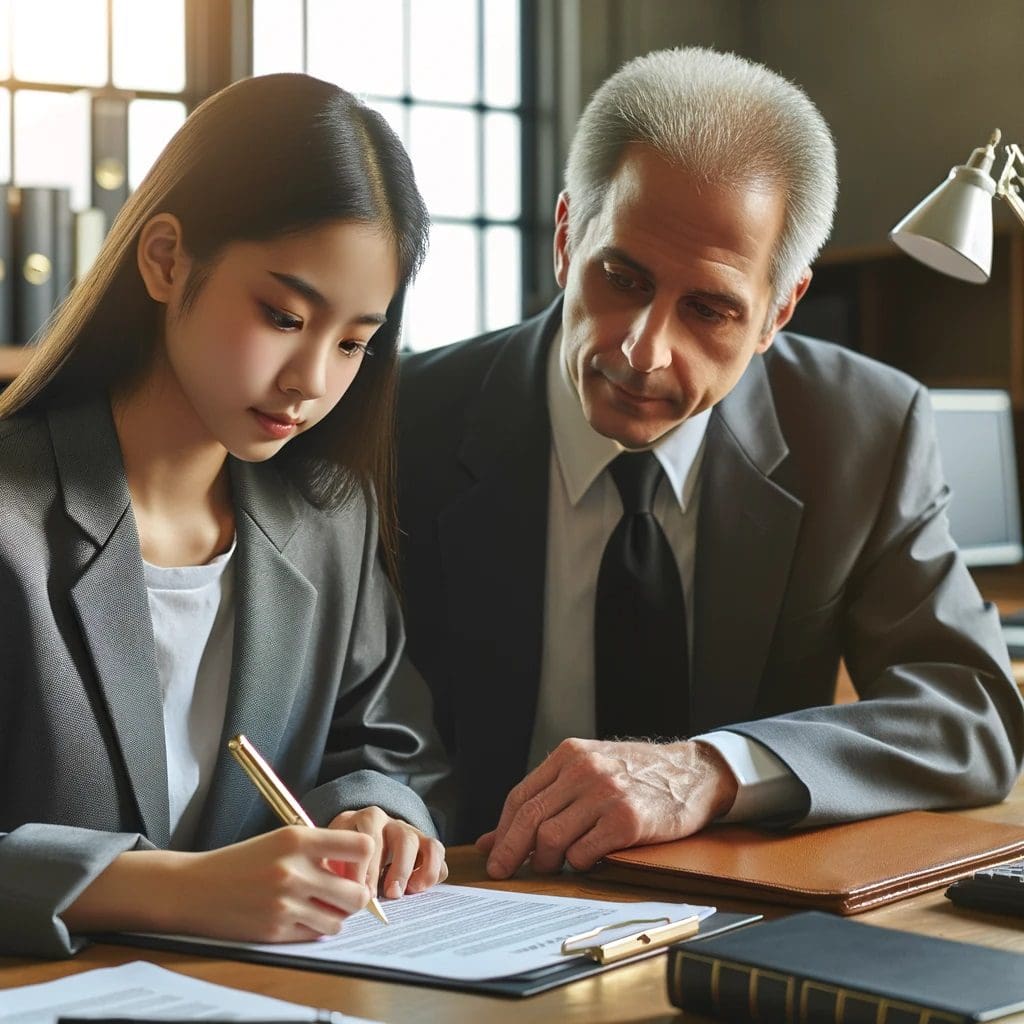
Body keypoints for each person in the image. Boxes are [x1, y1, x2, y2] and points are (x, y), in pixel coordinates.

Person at [395, 47, 1024, 877]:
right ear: (564, 238)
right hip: (456, 899)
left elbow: (969, 715)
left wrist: (718, 768)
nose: (642, 349)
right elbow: (358, 719)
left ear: (778, 311)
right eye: (621, 275)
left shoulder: (863, 429)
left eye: (710, 309)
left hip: (738, 907)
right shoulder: (407, 418)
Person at [0, 73, 449, 958]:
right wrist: (169, 890)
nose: (312, 381)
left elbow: (382, 742)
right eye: (284, 315)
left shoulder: (328, 521)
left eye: (354, 341)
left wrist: (378, 811)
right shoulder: (12, 520)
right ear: (166, 259)